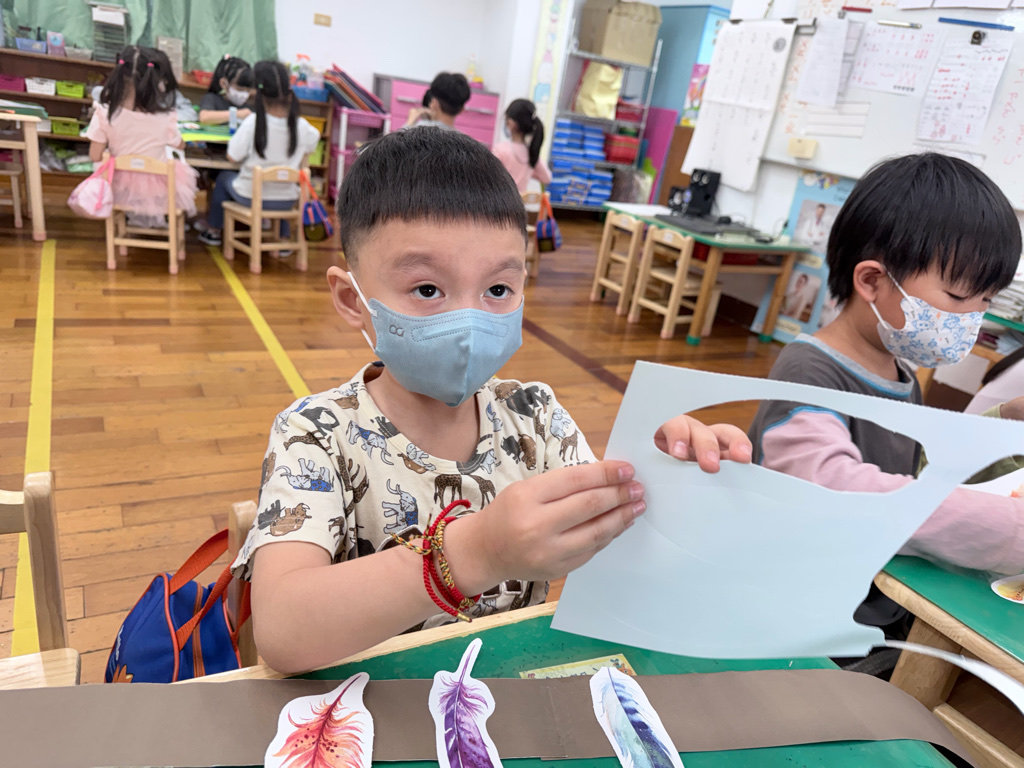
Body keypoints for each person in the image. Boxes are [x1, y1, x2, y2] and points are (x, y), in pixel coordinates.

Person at [230, 127, 750, 675]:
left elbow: (614, 549)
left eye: (498, 290)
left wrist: (667, 483)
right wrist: (476, 553)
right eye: (428, 290)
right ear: (351, 299)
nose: (470, 321)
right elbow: (282, 631)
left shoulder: (534, 416)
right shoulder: (314, 433)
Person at [739, 153, 1024, 587]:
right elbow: (827, 484)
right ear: (872, 281)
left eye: (985, 301)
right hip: (797, 585)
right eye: (957, 296)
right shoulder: (808, 371)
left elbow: (915, 473)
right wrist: (1008, 528)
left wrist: (1005, 421)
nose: (972, 318)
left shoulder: (899, 374)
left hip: (867, 573)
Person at [198, 60, 320, 247]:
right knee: (279, 186)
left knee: (223, 177)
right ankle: (283, 239)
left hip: (251, 196)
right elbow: (309, 149)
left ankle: (213, 231)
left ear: (258, 93)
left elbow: (232, 156)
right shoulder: (303, 127)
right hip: (287, 199)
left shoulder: (252, 122)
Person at [85, 45, 198, 221]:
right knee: (175, 165)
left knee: (105, 163)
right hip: (159, 189)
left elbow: (95, 156)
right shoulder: (166, 118)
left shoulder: (104, 113)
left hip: (118, 187)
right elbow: (180, 145)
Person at [492, 98, 551, 192]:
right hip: (521, 201)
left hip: (501, 200)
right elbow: (547, 178)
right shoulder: (532, 153)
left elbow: (490, 179)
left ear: (510, 123)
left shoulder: (500, 149)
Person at [198, 55, 255, 125]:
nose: (244, 94)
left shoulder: (250, 104)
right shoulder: (212, 99)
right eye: (240, 89)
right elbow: (204, 118)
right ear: (224, 84)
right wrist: (237, 114)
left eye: (248, 90)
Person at [403, 72, 471, 129]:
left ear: (434, 103)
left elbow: (400, 140)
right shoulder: (463, 139)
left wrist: (410, 121)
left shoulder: (418, 129)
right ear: (462, 109)